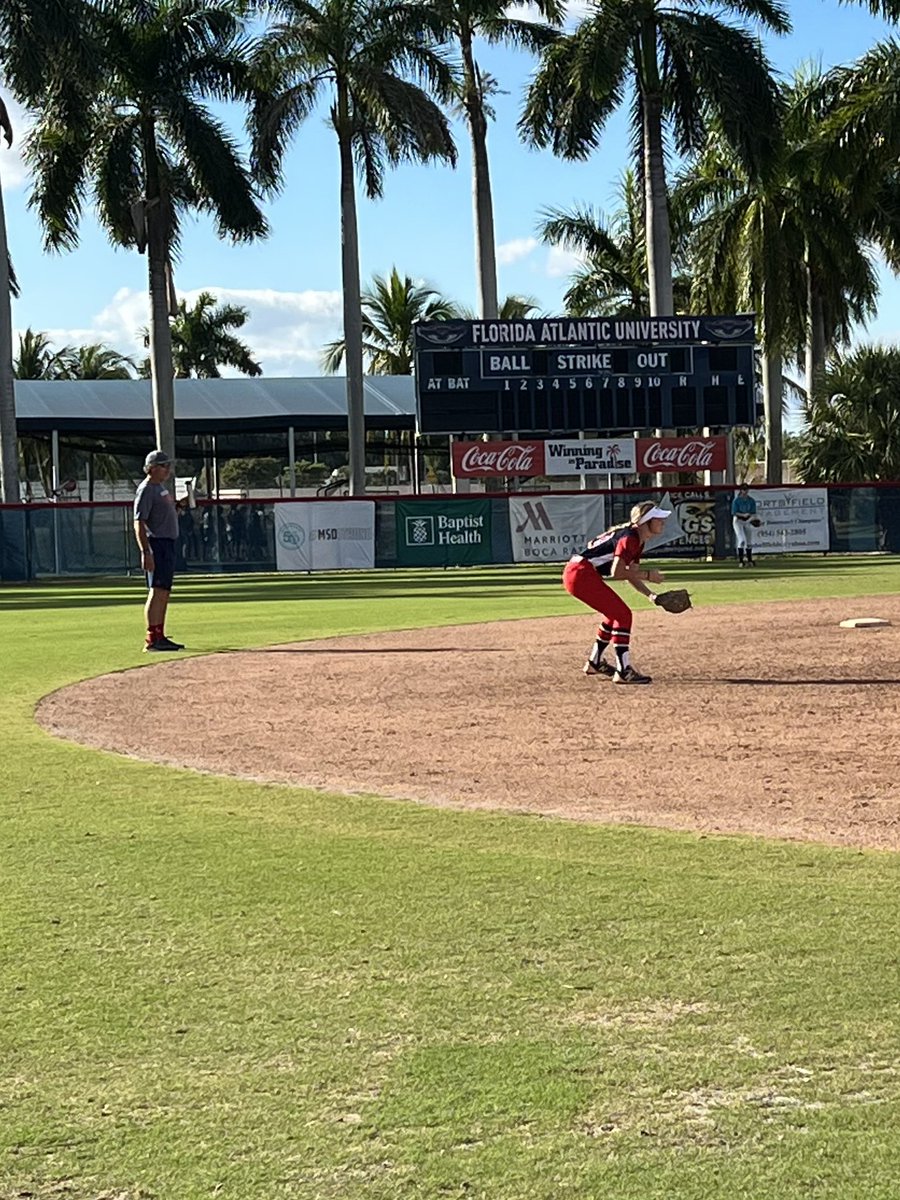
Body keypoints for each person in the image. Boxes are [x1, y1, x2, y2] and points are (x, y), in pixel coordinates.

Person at [562, 500, 671, 685]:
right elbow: (617, 572)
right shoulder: (630, 538)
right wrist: (648, 575)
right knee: (623, 614)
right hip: (580, 573)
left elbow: (630, 574)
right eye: (658, 519)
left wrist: (650, 595)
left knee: (612, 615)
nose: (662, 522)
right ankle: (623, 670)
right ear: (646, 521)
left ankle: (594, 662)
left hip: (579, 573)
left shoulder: (637, 540)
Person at [133, 450, 185, 652]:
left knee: (164, 591)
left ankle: (160, 634)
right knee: (156, 590)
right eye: (164, 466)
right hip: (157, 543)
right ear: (152, 468)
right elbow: (139, 522)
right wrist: (146, 551)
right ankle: (151, 638)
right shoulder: (147, 489)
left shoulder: (159, 488)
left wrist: (178, 506)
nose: (168, 470)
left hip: (167, 543)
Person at [731, 483, 758, 567]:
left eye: (746, 489)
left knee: (749, 542)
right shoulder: (736, 500)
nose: (745, 491)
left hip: (747, 520)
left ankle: (750, 560)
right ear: (741, 490)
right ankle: (741, 561)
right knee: (741, 540)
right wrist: (743, 515)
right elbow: (734, 513)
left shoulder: (751, 500)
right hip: (738, 520)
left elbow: (753, 513)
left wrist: (753, 519)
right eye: (743, 490)